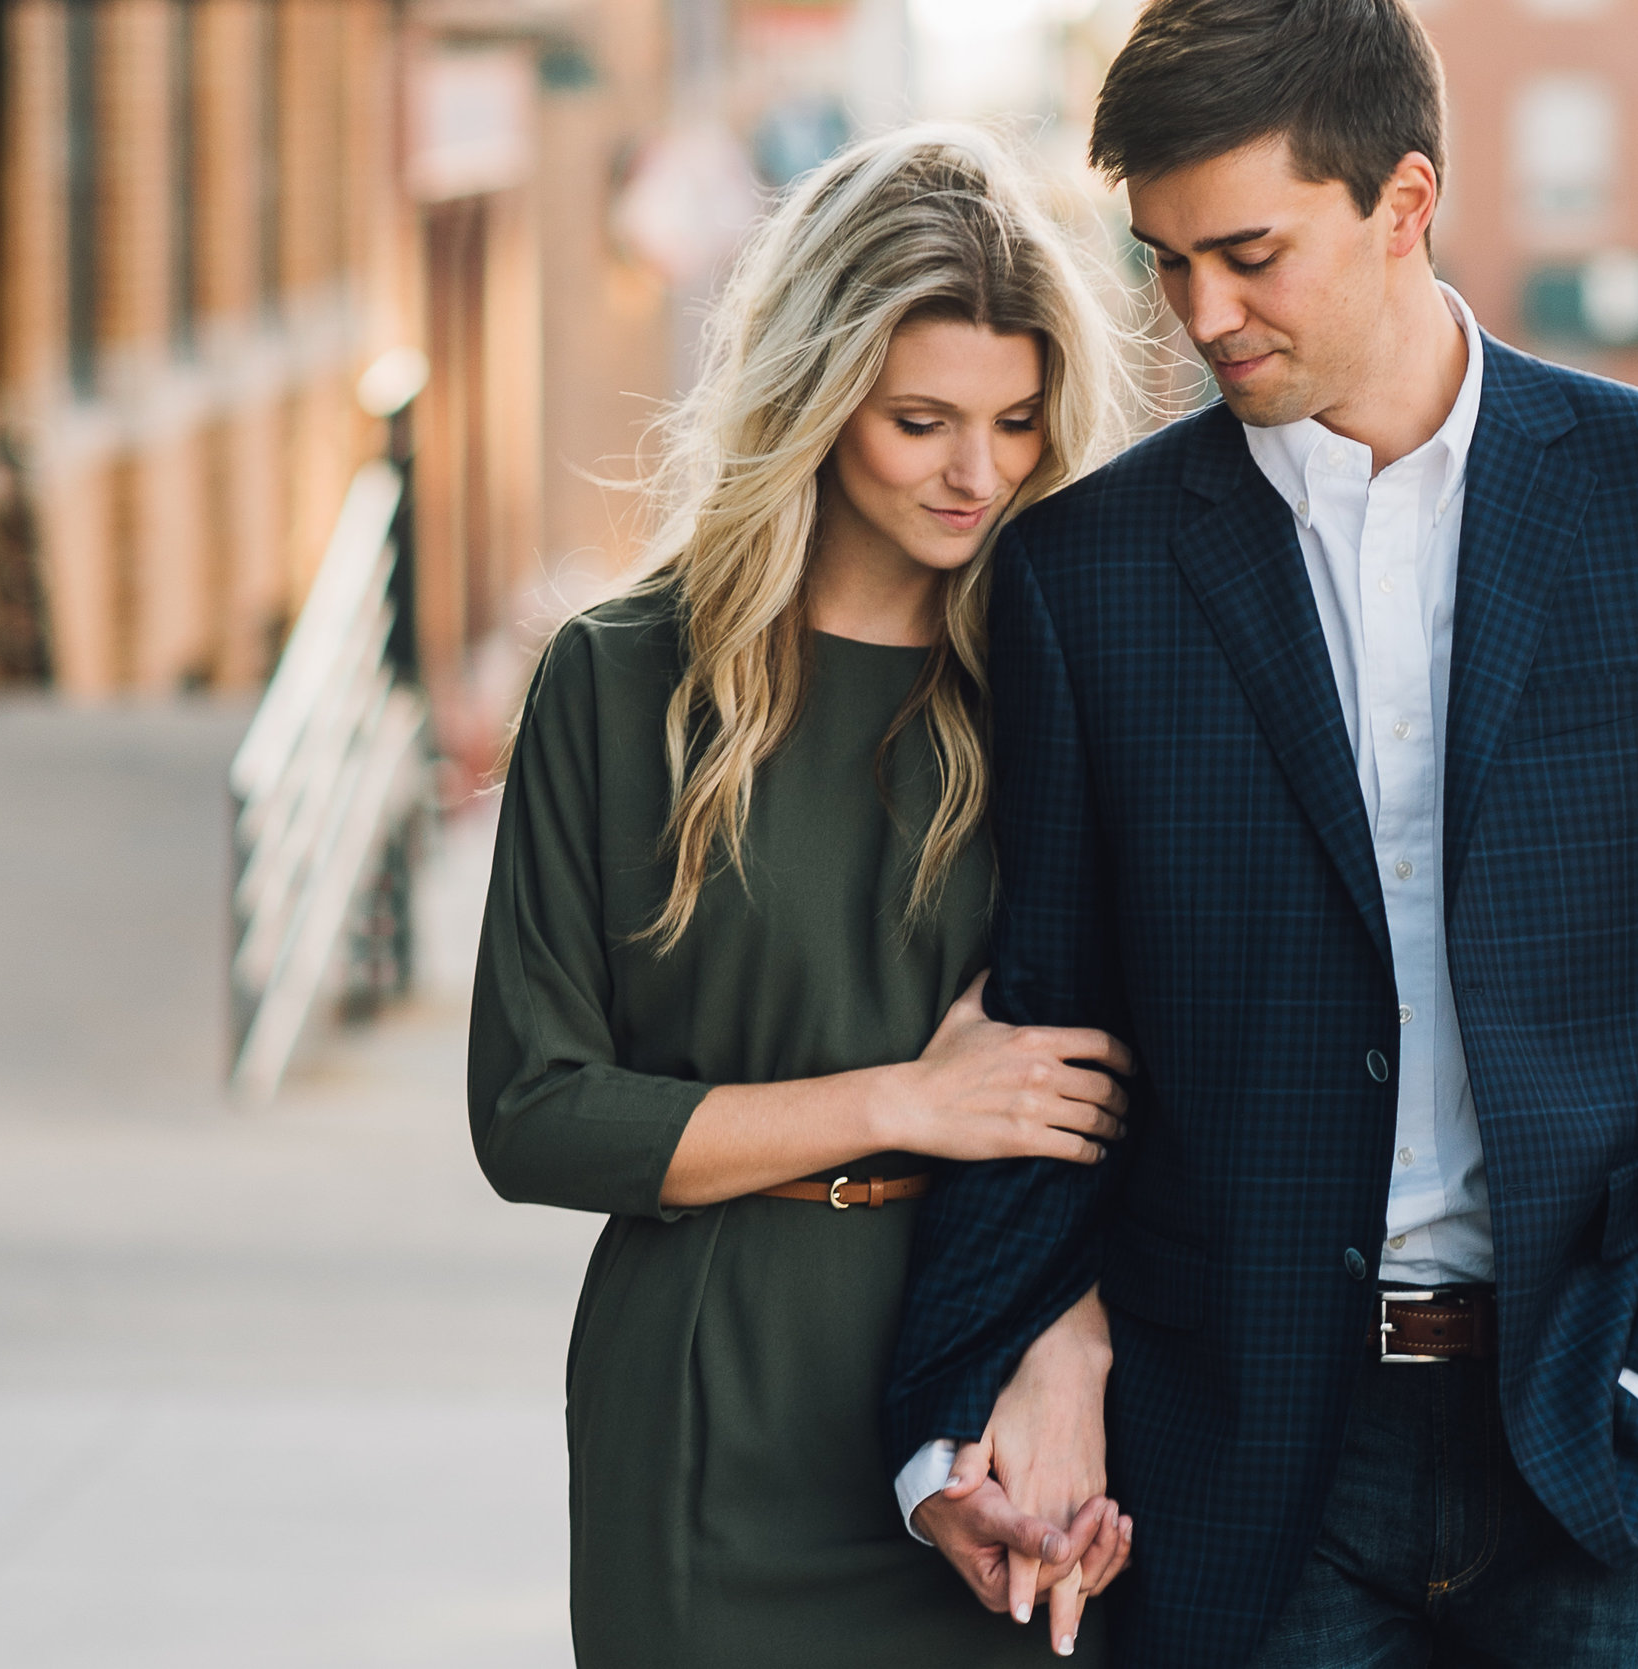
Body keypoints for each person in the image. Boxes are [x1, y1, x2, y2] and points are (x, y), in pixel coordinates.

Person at [888, 1, 1638, 1664]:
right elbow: (1051, 1039)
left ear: (1405, 202)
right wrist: (958, 1421)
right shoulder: (1089, 575)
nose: (1203, 313)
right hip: (1245, 1471)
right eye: (1167, 261)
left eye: (1250, 253)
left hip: (1593, 1450)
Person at [468, 126, 1143, 1668]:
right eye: (921, 421)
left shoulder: (1067, 689)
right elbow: (536, 1111)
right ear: (820, 398)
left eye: (1019, 422)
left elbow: (1148, 1084)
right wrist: (907, 1098)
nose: (979, 472)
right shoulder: (619, 679)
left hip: (998, 1384)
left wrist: (1070, 1342)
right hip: (709, 1395)